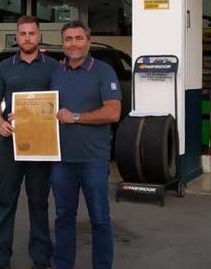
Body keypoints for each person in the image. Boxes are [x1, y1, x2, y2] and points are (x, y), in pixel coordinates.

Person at [0, 15, 59, 269]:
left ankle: (41, 259)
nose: (27, 38)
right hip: (10, 144)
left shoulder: (54, 67)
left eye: (32, 33)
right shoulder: (6, 67)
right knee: (6, 200)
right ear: (16, 37)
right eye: (23, 33)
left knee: (39, 202)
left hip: (41, 146)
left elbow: (60, 102)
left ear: (39, 36)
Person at [49, 20, 122, 269]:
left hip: (93, 158)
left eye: (79, 38)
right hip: (61, 160)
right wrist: (22, 116)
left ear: (88, 42)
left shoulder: (103, 71)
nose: (73, 44)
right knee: (63, 218)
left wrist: (76, 117)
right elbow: (44, 108)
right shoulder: (57, 72)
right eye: (68, 39)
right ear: (63, 43)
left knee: (100, 219)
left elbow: (113, 112)